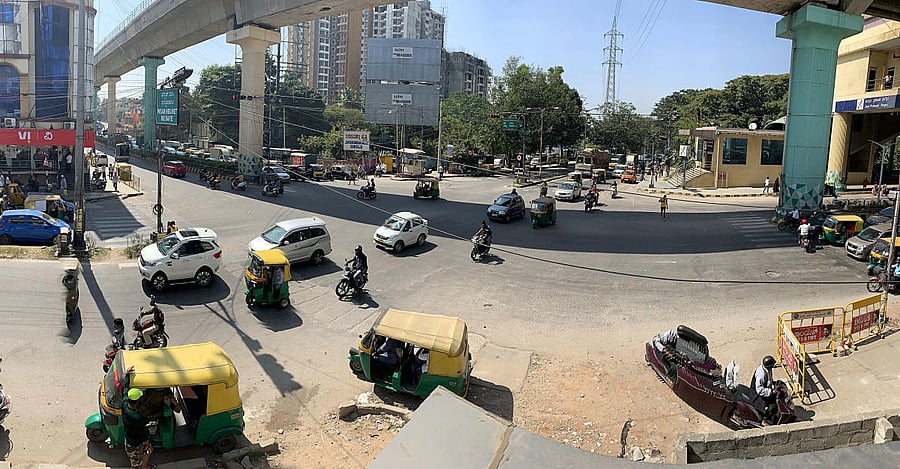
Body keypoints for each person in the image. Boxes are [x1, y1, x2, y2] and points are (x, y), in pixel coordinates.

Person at [122, 388, 154, 469]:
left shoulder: (124, 405)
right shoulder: (137, 417)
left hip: (128, 440)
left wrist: (127, 377)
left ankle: (145, 467)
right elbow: (142, 433)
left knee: (146, 454)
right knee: (136, 465)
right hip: (135, 445)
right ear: (137, 401)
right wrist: (147, 442)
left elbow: (125, 391)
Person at [750, 355, 778, 424]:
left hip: (765, 390)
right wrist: (771, 391)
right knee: (772, 406)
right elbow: (759, 389)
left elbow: (769, 380)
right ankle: (767, 421)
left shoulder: (767, 369)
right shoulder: (761, 374)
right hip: (757, 395)